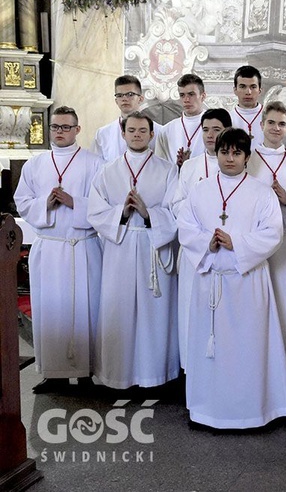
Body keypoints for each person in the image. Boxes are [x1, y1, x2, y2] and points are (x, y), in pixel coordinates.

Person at [177, 127, 286, 429]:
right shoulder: (200, 191)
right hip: (211, 281)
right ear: (217, 153)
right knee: (211, 352)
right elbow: (185, 228)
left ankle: (253, 411)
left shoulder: (262, 192)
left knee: (248, 351)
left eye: (237, 152)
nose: (230, 158)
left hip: (248, 282)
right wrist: (208, 242)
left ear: (246, 156)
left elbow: (273, 234)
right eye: (225, 151)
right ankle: (207, 411)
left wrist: (236, 242)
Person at [14, 106, 103, 393]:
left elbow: (104, 205)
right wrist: (46, 204)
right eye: (55, 127)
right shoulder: (35, 164)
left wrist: (74, 201)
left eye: (66, 127)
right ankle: (53, 373)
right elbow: (22, 201)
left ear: (78, 130)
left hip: (82, 248)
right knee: (49, 309)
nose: (60, 132)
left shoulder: (95, 163)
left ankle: (86, 372)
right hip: (50, 249)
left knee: (84, 310)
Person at [88, 111, 180, 389]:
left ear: (152, 135)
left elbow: (177, 211)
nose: (137, 135)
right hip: (121, 248)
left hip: (153, 247)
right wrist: (122, 213)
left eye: (143, 130)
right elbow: (95, 212)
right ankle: (119, 375)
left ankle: (154, 375)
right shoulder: (108, 171)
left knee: (155, 314)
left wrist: (148, 212)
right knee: (119, 310)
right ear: (123, 134)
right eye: (132, 130)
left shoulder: (167, 169)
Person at [247, 101, 286, 370]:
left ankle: (282, 372)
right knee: (254, 309)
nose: (275, 128)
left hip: (285, 246)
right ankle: (253, 368)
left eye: (282, 124)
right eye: (271, 122)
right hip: (253, 245)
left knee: (283, 309)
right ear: (261, 125)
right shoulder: (246, 159)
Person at [171, 108, 232, 371]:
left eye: (216, 130)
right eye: (205, 129)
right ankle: (192, 370)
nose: (209, 135)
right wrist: (203, 225)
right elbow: (176, 204)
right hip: (197, 251)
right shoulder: (191, 166)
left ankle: (225, 367)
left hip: (226, 252)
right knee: (191, 312)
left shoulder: (236, 164)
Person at [92, 75, 162, 162]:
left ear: (140, 99)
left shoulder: (159, 132)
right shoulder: (103, 134)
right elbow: (96, 167)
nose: (124, 99)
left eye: (130, 94)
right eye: (120, 95)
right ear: (116, 101)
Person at [155, 74, 206, 166]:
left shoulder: (216, 126)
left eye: (191, 94)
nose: (186, 100)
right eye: (182, 95)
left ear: (203, 96)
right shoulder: (166, 130)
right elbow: (160, 166)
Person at [230, 65, 265, 145]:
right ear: (235, 90)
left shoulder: (269, 117)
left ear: (260, 90)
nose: (248, 92)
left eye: (253, 87)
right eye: (242, 87)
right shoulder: (229, 118)